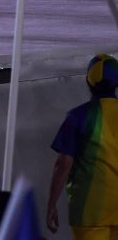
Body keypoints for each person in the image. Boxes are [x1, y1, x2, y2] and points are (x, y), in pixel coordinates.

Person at [46, 53, 118, 238]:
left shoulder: (78, 117)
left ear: (88, 81)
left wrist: (51, 204)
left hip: (90, 213)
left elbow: (63, 164)